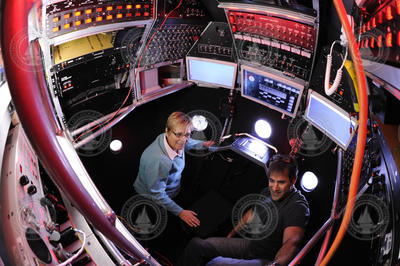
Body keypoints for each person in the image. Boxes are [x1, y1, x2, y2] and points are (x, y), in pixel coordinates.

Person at [178, 154, 310, 266]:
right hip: (251, 246)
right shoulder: (267, 191)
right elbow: (253, 213)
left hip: (266, 259)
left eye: (281, 182)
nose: (274, 188)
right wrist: (231, 234)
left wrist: (275, 264)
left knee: (216, 264)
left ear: (293, 180)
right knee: (197, 245)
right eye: (272, 181)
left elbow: (292, 242)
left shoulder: (298, 205)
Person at [133, 111, 214, 227]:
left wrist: (203, 144)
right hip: (153, 200)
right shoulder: (158, 160)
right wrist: (180, 212)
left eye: (188, 134)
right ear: (167, 131)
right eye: (179, 134)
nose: (183, 140)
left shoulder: (170, 138)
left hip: (171, 190)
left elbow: (187, 142)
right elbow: (156, 194)